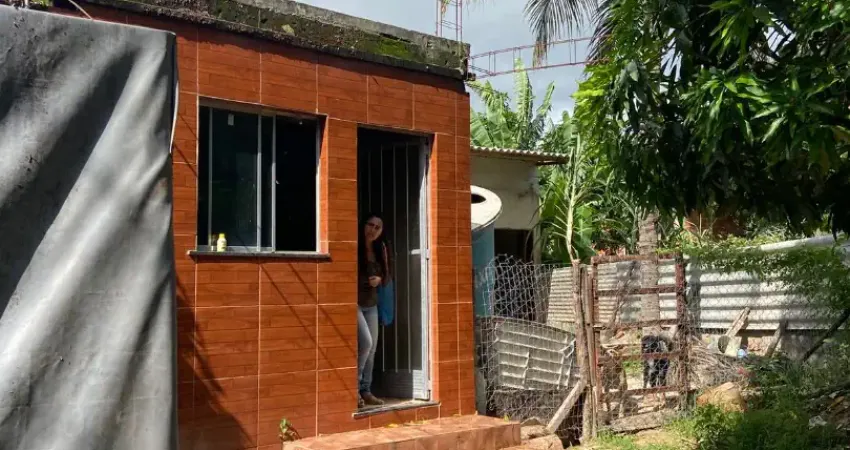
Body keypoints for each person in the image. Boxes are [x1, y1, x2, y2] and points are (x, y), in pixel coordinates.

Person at [357, 213, 390, 408]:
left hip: (371, 303)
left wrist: (380, 280)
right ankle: (354, 390)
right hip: (354, 301)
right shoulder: (355, 245)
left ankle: (366, 390)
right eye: (371, 225)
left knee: (372, 349)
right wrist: (365, 281)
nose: (373, 230)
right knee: (366, 343)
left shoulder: (380, 249)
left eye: (378, 228)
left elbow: (387, 274)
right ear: (363, 225)